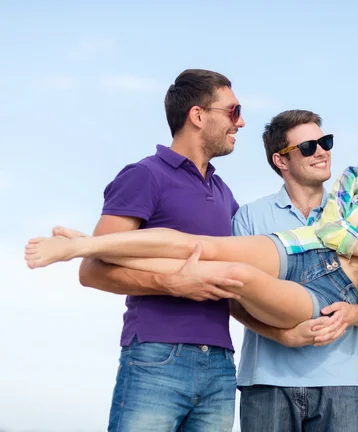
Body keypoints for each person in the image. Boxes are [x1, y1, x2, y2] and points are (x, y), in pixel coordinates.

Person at [25, 103, 358, 330]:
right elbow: (329, 227)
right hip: (302, 249)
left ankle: (94, 253)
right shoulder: (356, 180)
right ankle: (82, 246)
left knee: (231, 275)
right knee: (203, 246)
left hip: (332, 290)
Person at [68, 69, 245, 431]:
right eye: (233, 111)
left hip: (221, 366)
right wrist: (173, 284)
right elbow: (91, 271)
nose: (240, 123)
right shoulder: (144, 176)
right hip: (157, 357)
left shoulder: (224, 192)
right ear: (198, 115)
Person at [231, 109, 358, 432]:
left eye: (325, 142)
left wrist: (352, 313)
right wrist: (283, 336)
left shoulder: (353, 215)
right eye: (308, 147)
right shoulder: (250, 217)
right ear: (280, 161)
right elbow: (235, 301)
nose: (322, 151)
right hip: (266, 383)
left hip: (339, 383)